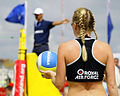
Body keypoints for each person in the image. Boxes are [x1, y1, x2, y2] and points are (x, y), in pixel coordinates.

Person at [40, 7, 118, 96]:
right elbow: (112, 86)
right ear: (92, 26)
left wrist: (51, 75)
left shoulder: (65, 48)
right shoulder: (105, 48)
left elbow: (59, 84)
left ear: (75, 25)